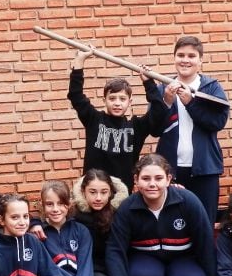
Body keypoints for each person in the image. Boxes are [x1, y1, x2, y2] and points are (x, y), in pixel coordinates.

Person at [105, 154, 224, 276]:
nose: (152, 184)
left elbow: (206, 247)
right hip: (145, 261)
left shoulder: (188, 201)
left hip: (182, 259)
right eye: (146, 178)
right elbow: (115, 253)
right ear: (136, 180)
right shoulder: (127, 209)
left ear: (168, 179)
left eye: (158, 178)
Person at [155, 35, 231, 225]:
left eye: (191, 56)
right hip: (170, 169)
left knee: (203, 221)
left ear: (200, 60)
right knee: (171, 221)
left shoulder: (211, 88)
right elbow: (154, 129)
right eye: (180, 55)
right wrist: (166, 102)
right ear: (174, 58)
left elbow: (217, 123)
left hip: (204, 169)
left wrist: (191, 103)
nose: (185, 60)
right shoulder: (163, 86)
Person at [67, 49, 167, 189]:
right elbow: (75, 95)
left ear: (130, 102)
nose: (117, 103)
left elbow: (159, 111)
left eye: (122, 99)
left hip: (121, 194)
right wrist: (79, 61)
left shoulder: (136, 127)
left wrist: (148, 83)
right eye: (112, 98)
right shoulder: (94, 119)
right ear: (104, 100)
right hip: (94, 190)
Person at [30, 180, 108, 276]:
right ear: (42, 206)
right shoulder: (38, 235)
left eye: (60, 203)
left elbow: (85, 266)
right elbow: (49, 270)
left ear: (69, 204)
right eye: (49, 204)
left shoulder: (81, 231)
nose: (55, 209)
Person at [70, 169, 129, 276]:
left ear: (111, 193)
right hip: (90, 270)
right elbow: (51, 218)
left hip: (115, 265)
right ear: (83, 191)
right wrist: (35, 224)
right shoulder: (74, 215)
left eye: (104, 192)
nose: (98, 198)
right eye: (92, 192)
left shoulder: (119, 213)